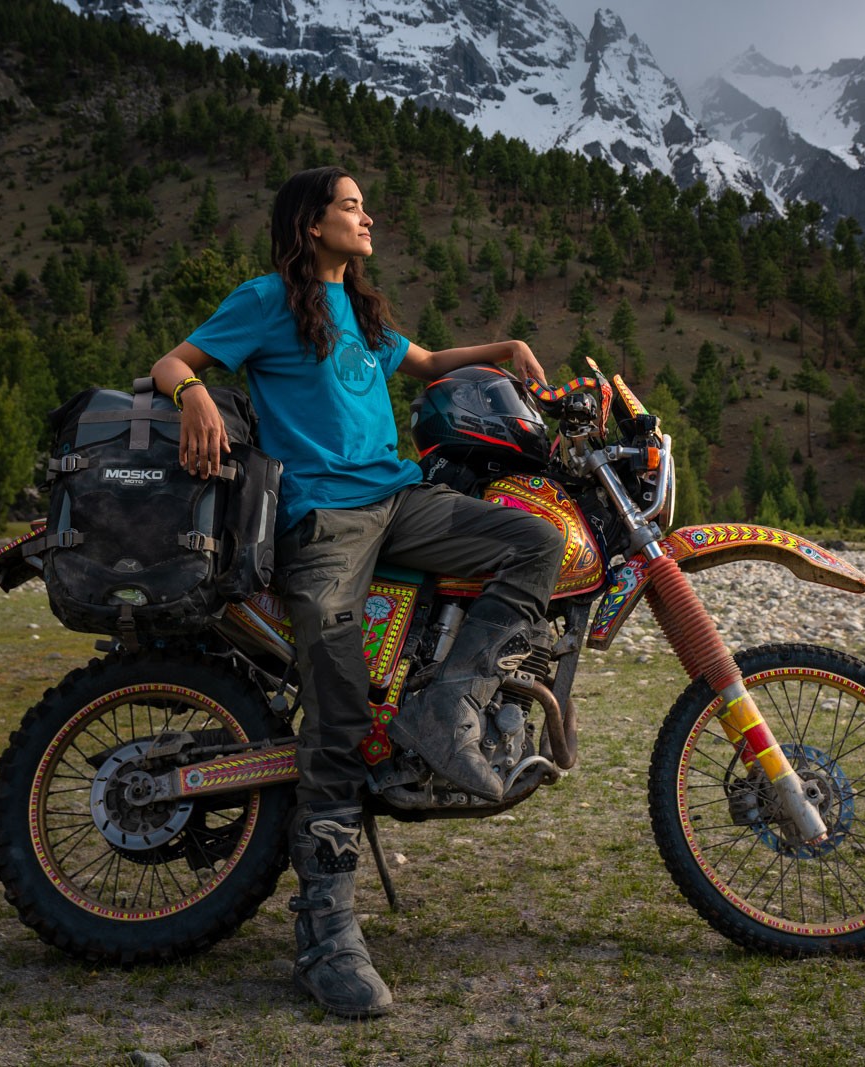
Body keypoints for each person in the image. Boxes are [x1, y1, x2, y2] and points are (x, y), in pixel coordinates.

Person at [151, 166, 563, 1018]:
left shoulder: (362, 312)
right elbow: (172, 360)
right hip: (325, 521)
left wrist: (502, 349)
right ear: (310, 224)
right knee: (336, 719)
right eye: (349, 205)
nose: (366, 216)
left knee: (535, 540)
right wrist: (193, 394)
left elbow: (424, 363)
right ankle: (326, 937)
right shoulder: (267, 299)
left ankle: (446, 705)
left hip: (401, 498)